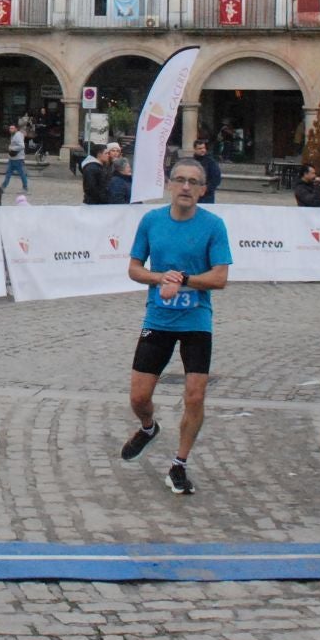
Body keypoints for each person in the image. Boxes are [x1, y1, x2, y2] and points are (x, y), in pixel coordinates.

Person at [120, 161, 232, 495]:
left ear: (203, 189)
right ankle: (148, 427)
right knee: (139, 397)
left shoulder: (213, 225)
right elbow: (134, 269)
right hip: (158, 319)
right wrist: (161, 277)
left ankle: (179, 465)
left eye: (193, 182)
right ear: (170, 185)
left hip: (197, 322)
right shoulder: (151, 221)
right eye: (180, 180)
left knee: (195, 396)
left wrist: (183, 280)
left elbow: (220, 278)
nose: (186, 187)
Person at [0, 124, 30, 194]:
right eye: (10, 128)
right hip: (13, 158)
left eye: (12, 128)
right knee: (8, 173)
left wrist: (11, 148)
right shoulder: (14, 135)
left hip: (18, 159)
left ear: (16, 129)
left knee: (21, 174)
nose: (11, 130)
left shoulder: (18, 135)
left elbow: (22, 146)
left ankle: (25, 188)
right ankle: (3, 187)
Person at [191, 139, 222, 203]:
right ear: (194, 149)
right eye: (200, 148)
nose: (202, 150)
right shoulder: (192, 162)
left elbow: (216, 178)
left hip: (207, 196)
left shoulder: (210, 161)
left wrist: (206, 189)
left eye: (204, 148)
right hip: (193, 194)